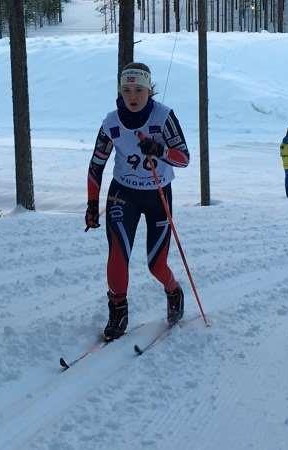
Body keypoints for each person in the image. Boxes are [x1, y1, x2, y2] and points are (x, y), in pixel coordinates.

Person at [85, 62, 190, 341]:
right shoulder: (111, 122)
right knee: (118, 254)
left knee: (156, 265)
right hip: (124, 193)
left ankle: (173, 289)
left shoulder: (163, 116)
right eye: (127, 90)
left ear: (149, 90)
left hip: (158, 193)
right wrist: (92, 204)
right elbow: (96, 165)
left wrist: (160, 149)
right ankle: (118, 311)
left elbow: (184, 158)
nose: (133, 96)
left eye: (139, 90)